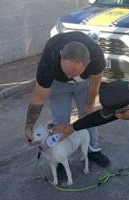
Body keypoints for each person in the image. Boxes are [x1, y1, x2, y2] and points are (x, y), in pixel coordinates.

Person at [24, 32, 110, 170]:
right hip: (57, 85)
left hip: (83, 83)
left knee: (88, 115)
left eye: (73, 73)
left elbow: (95, 82)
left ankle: (93, 149)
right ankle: (61, 159)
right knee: (60, 120)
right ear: (60, 56)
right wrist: (28, 126)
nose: (69, 77)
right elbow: (38, 97)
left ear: (88, 63)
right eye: (67, 71)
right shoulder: (49, 59)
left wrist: (89, 103)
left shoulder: (96, 56)